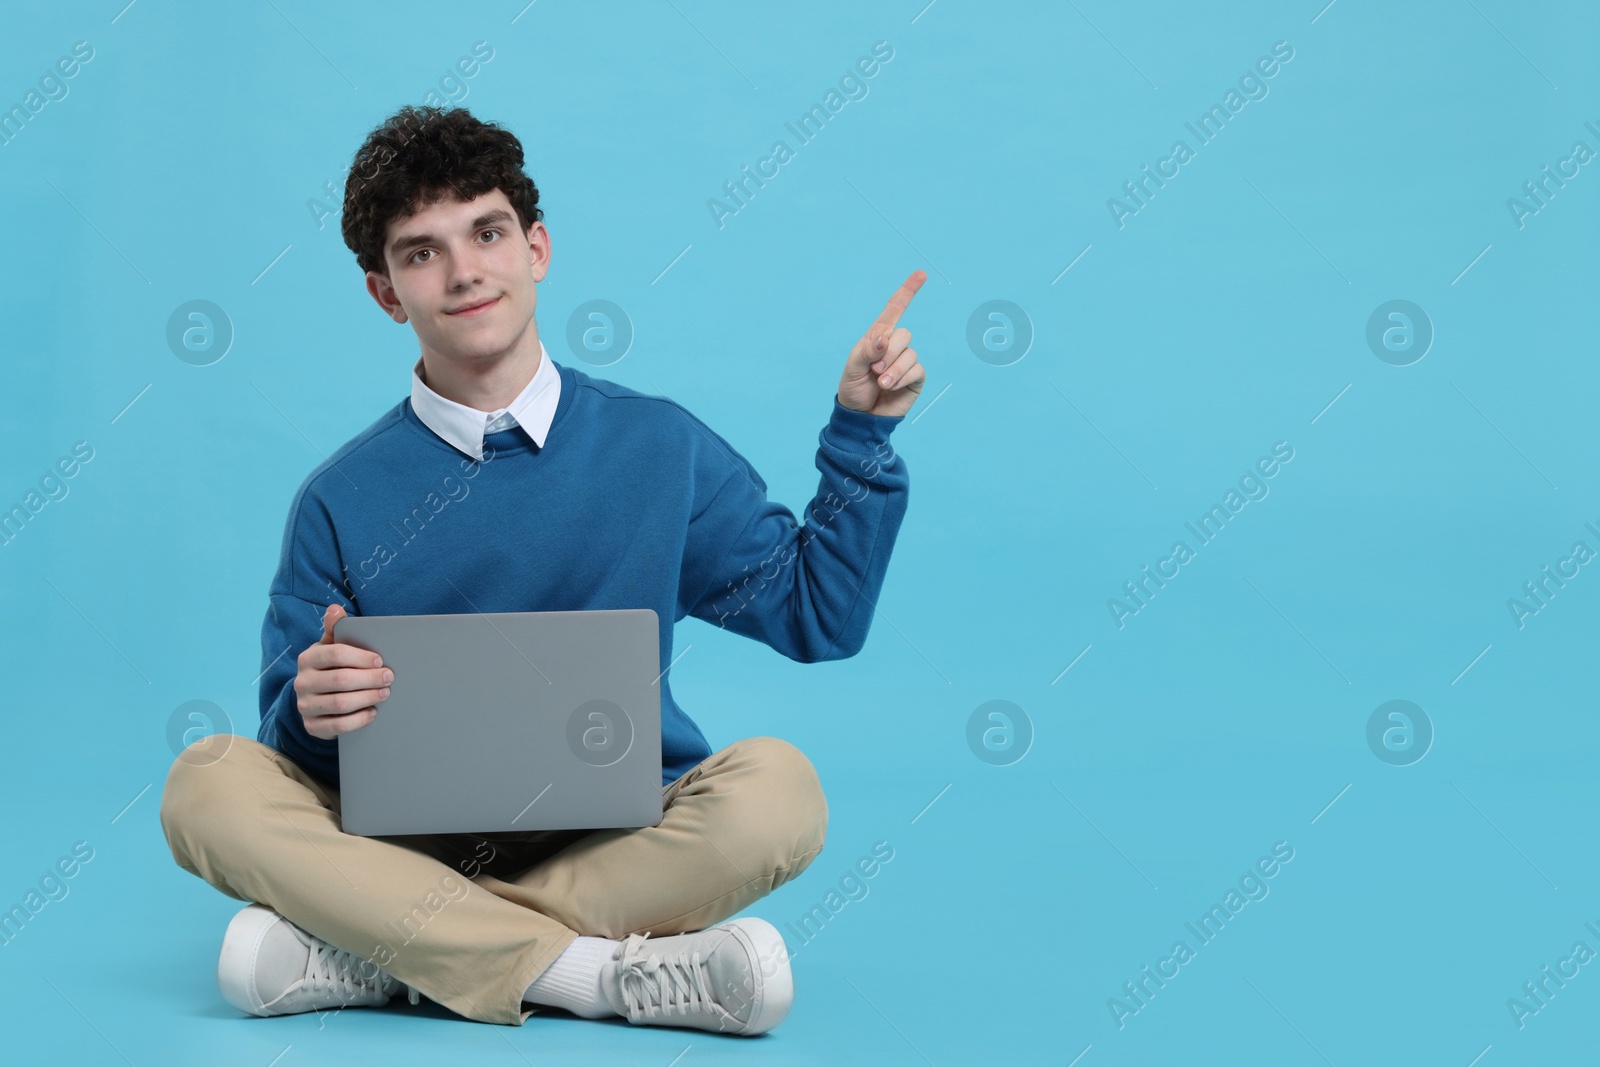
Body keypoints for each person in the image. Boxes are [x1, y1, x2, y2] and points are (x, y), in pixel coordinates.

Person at [158, 103, 926, 1035]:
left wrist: (863, 434)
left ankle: (392, 954)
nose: (465, 270)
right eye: (421, 251)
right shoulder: (338, 498)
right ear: (385, 293)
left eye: (486, 233)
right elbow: (291, 755)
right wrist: (311, 710)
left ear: (537, 249)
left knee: (782, 789)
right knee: (208, 782)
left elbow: (820, 616)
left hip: (611, 833)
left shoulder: (658, 446)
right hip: (405, 841)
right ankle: (590, 974)